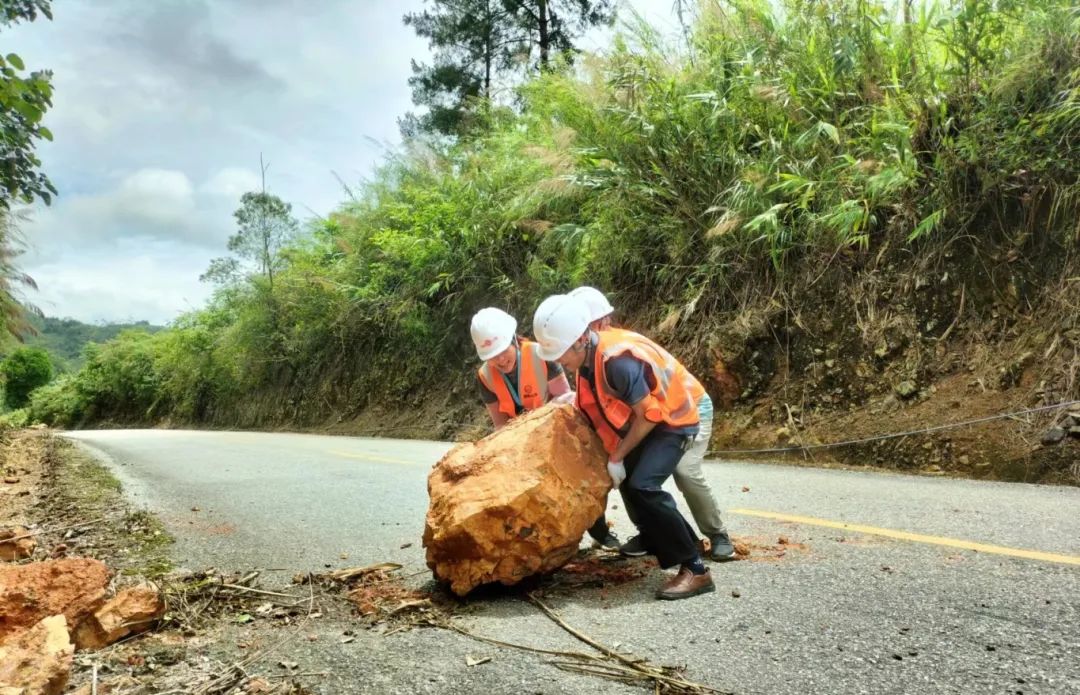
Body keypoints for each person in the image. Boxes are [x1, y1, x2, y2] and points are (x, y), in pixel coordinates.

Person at [532, 294, 714, 600]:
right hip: (651, 422)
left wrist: (617, 456)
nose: (558, 362)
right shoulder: (587, 359)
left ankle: (696, 570)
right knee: (630, 483)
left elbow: (648, 415)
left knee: (644, 485)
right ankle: (687, 541)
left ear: (580, 339)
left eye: (561, 354)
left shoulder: (617, 362)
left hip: (673, 421)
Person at [567, 287, 735, 561]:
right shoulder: (590, 358)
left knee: (684, 471)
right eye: (600, 321)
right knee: (633, 477)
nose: (606, 325)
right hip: (657, 417)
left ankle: (718, 535)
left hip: (688, 408)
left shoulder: (616, 352)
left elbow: (647, 408)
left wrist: (619, 453)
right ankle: (653, 532)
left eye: (606, 319)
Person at [470, 307, 620, 550]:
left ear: (513, 339)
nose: (499, 360)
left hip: (555, 429)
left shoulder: (540, 355)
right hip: (517, 439)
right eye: (492, 355)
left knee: (577, 480)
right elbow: (499, 423)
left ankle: (600, 531)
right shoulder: (485, 377)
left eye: (502, 351)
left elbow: (565, 397)